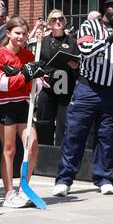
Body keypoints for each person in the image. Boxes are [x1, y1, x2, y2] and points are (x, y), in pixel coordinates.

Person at [51, 0, 113, 197]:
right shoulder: (89, 26)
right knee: (75, 134)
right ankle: (64, 179)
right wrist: (112, 37)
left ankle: (104, 178)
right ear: (104, 9)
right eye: (112, 7)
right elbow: (86, 50)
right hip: (88, 89)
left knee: (108, 137)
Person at [0, 16, 46, 208]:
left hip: (24, 104)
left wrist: (37, 78)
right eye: (17, 33)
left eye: (24, 33)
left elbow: (36, 87)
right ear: (8, 33)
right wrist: (24, 76)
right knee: (10, 149)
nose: (21, 37)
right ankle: (9, 192)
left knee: (33, 145)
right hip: (3, 105)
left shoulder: (29, 56)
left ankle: (24, 188)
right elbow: (0, 84)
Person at [32, 8, 79, 146]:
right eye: (54, 19)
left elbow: (79, 64)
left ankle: (60, 152)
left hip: (65, 87)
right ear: (49, 23)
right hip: (47, 87)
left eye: (60, 19)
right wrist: (40, 74)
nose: (57, 21)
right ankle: (44, 151)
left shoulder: (72, 42)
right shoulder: (42, 41)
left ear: (64, 22)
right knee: (44, 121)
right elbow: (36, 63)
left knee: (63, 123)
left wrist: (75, 67)